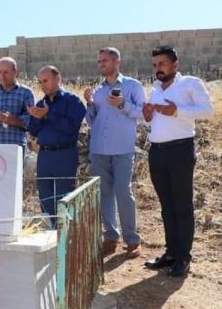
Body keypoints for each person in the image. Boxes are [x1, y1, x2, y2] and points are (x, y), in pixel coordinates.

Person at [142, 46, 213, 277]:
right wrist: (148, 116)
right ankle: (171, 253)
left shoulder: (190, 83)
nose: (158, 69)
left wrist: (176, 111)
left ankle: (183, 257)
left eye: (162, 64)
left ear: (175, 64)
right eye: (155, 65)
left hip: (180, 150)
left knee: (182, 206)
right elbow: (153, 120)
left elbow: (207, 111)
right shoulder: (154, 88)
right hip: (157, 152)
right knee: (167, 206)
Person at [84, 47, 145, 258]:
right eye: (99, 61)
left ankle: (132, 240)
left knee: (123, 192)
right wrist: (89, 104)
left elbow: (143, 114)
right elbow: (92, 121)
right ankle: (110, 237)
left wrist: (123, 104)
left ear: (117, 61)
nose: (101, 64)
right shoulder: (98, 90)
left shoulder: (132, 86)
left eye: (105, 60)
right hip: (99, 149)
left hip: (122, 149)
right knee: (104, 194)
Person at [28, 65, 86, 223]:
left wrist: (48, 115)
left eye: (45, 80)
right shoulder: (40, 103)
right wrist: (37, 117)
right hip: (44, 155)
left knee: (64, 197)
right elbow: (33, 130)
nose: (42, 85)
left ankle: (65, 233)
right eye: (40, 82)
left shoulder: (72, 101)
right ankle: (50, 231)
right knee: (45, 197)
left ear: (57, 78)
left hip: (64, 154)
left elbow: (72, 127)